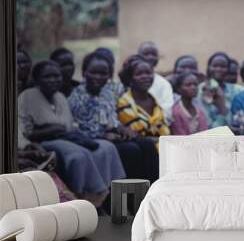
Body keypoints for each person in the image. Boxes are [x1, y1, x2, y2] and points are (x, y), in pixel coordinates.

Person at [18, 60, 125, 207]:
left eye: (56, 76)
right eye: (47, 76)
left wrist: (63, 130)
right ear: (36, 79)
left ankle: (107, 194)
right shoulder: (27, 97)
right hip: (43, 140)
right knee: (78, 155)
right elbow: (26, 132)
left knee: (106, 147)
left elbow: (68, 127)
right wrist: (52, 129)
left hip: (67, 136)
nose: (53, 80)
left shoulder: (60, 97)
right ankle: (81, 197)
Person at [68, 52, 160, 183]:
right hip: (91, 139)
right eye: (93, 72)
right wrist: (104, 135)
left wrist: (121, 128)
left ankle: (152, 188)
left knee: (147, 144)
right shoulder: (77, 96)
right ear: (84, 73)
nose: (98, 77)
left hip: (110, 135)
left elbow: (111, 120)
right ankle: (129, 195)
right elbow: (79, 127)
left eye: (103, 73)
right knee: (130, 150)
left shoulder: (107, 92)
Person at [118, 54, 170, 148]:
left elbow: (165, 133)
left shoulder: (155, 103)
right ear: (130, 78)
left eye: (148, 73)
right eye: (139, 74)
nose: (145, 77)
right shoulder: (123, 103)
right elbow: (137, 135)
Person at [197, 52, 244, 128]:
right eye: (214, 66)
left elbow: (239, 123)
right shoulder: (200, 90)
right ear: (208, 68)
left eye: (222, 66)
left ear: (228, 69)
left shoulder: (238, 91)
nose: (218, 69)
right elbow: (205, 123)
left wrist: (222, 106)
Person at [137, 41, 174, 122]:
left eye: (154, 54)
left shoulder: (164, 84)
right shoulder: (130, 81)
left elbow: (167, 111)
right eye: (146, 54)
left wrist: (150, 121)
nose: (150, 57)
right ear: (138, 56)